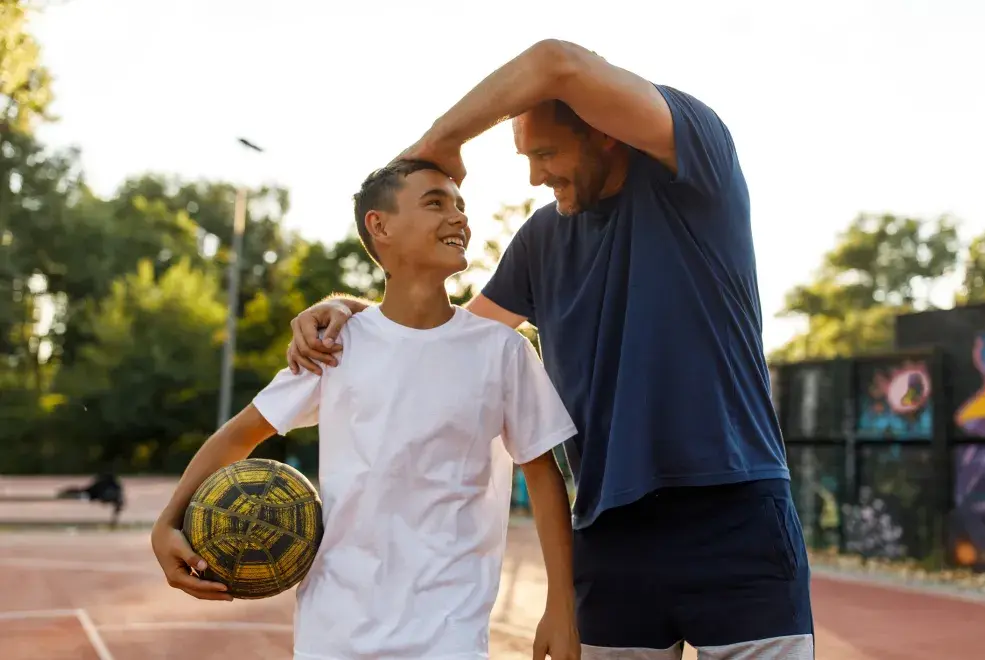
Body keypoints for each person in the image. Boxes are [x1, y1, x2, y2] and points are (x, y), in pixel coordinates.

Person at [286, 39, 813, 659]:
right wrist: (354, 313)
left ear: (606, 134)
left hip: (734, 512)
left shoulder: (697, 175)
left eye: (546, 153)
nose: (536, 175)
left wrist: (438, 142)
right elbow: (445, 342)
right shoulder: (542, 238)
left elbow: (555, 61)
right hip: (607, 534)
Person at [151, 160, 581, 660]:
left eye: (461, 206)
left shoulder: (501, 351)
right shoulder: (336, 344)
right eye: (436, 203)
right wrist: (169, 522)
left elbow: (545, 478)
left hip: (450, 630)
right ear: (381, 226)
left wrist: (561, 606)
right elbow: (238, 436)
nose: (459, 218)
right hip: (335, 630)